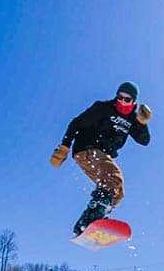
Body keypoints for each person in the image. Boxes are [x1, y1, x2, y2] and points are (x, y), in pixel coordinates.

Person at [50, 81, 152, 235]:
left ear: (134, 101)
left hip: (103, 157)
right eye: (120, 97)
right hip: (88, 149)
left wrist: (142, 123)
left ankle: (89, 221)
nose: (122, 102)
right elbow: (76, 123)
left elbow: (144, 141)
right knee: (113, 177)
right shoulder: (103, 108)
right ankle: (91, 218)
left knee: (118, 192)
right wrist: (64, 146)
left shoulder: (132, 119)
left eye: (127, 99)